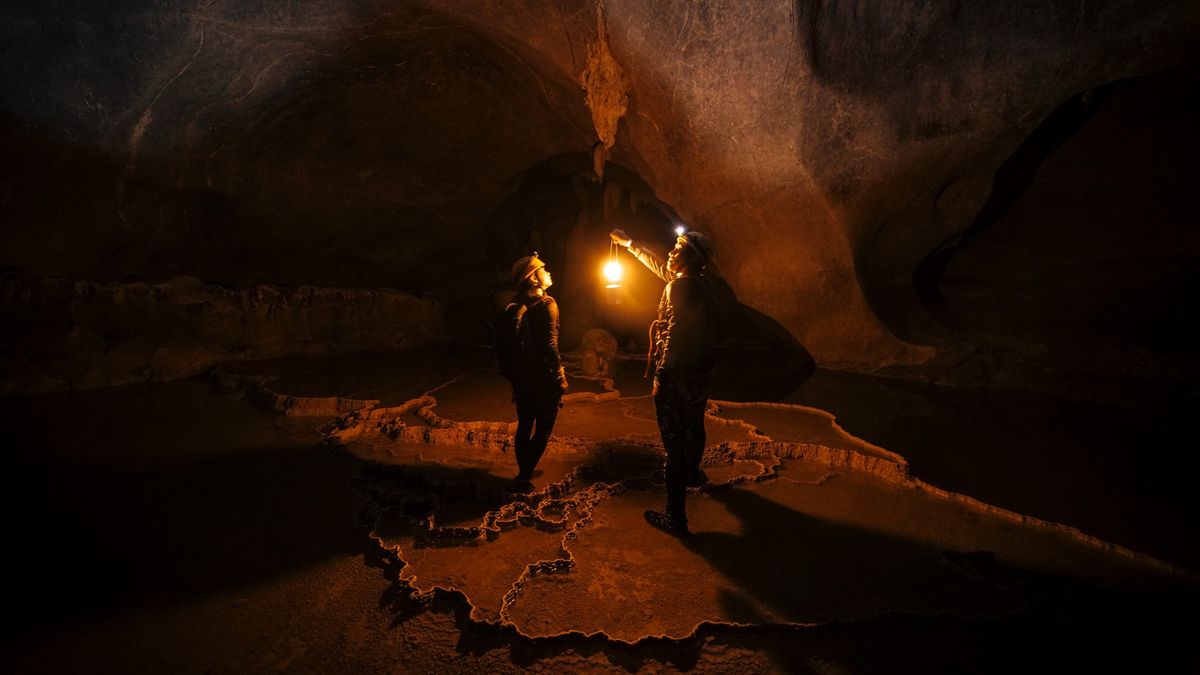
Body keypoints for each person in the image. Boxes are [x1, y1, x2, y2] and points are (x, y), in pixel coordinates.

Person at [610, 227, 717, 535]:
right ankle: (694, 475)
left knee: (674, 444)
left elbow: (674, 336)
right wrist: (632, 244)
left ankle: (676, 518)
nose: (671, 251)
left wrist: (661, 377)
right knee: (694, 425)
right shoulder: (699, 284)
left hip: (677, 375)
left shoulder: (678, 289)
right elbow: (663, 267)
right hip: (700, 374)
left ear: (693, 258)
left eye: (678, 248)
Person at [505, 253, 568, 492]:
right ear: (533, 277)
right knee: (543, 426)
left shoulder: (516, 304)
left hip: (521, 377)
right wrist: (560, 376)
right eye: (544, 269)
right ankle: (524, 475)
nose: (548, 272)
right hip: (542, 377)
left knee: (524, 424)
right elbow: (550, 345)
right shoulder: (546, 304)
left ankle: (523, 470)